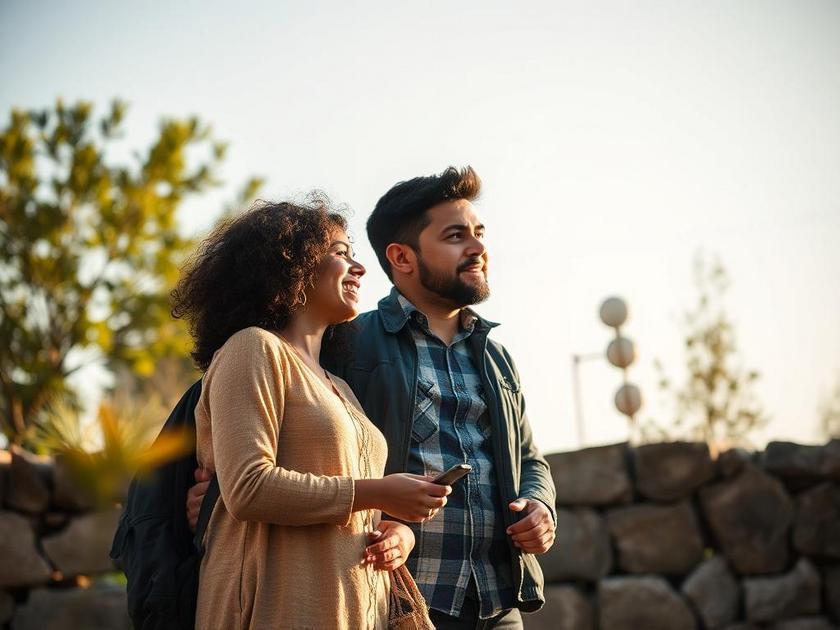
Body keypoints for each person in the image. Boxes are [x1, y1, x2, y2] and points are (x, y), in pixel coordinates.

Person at [189, 168, 557, 629]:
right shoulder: (319, 346)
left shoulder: (338, 378)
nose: (478, 247)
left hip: (471, 595)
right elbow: (248, 473)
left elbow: (527, 457)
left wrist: (537, 505)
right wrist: (212, 492)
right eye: (456, 235)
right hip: (370, 594)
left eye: (479, 233)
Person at [172, 197, 450, 630]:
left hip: (355, 611)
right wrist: (376, 493)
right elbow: (248, 488)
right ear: (289, 265)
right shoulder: (253, 349)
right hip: (277, 609)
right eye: (341, 254)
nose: (359, 268)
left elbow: (355, 504)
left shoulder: (339, 386)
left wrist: (400, 534)